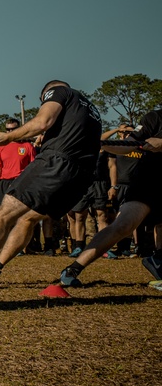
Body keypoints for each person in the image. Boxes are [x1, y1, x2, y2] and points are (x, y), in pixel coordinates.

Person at [0, 80, 102, 287]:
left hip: (56, 164)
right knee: (28, 218)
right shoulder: (91, 109)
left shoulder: (59, 91)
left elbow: (42, 122)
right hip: (81, 177)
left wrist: (9, 137)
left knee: (3, 212)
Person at [59, 113, 162, 287]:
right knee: (123, 225)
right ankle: (73, 269)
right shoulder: (155, 118)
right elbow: (128, 144)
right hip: (149, 183)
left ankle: (158, 261)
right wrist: (101, 144)